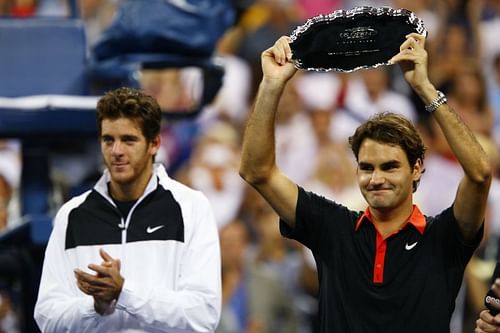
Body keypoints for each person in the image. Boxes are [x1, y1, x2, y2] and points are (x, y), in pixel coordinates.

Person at [239, 33, 492, 332]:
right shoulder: (332, 228)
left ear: (416, 169)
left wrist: (425, 89)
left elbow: (479, 174)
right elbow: (257, 171)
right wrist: (271, 85)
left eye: (390, 167)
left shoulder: (443, 238)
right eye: (366, 167)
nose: (376, 178)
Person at [34, 87, 221, 332]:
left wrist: (124, 292)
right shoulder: (72, 215)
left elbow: (202, 315)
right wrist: (97, 306)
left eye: (128, 140)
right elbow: (48, 319)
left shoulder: (191, 207)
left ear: (154, 143)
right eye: (108, 140)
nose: (116, 151)